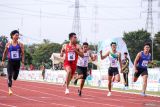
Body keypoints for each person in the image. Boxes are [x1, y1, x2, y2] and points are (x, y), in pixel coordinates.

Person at [1, 30, 24, 95]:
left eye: (18, 35)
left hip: (17, 62)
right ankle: (9, 90)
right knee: (10, 75)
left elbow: (23, 54)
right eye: (16, 35)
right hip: (10, 62)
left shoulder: (20, 44)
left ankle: (13, 74)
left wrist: (22, 62)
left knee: (15, 77)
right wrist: (3, 60)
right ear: (12, 36)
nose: (17, 36)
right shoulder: (8, 44)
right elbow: (5, 53)